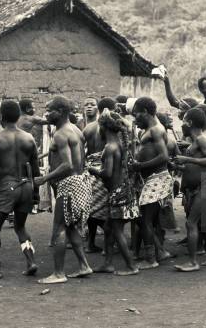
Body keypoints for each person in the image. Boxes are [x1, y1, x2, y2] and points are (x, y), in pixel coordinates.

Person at [0, 100, 40, 279]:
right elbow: (35, 169)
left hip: (8, 186)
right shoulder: (29, 138)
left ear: (1, 116)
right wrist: (35, 192)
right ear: (18, 116)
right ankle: (31, 262)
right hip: (26, 186)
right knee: (20, 227)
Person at [35, 96, 93, 284]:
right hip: (80, 182)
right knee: (71, 228)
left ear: (60, 112)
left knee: (59, 229)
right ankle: (84, 265)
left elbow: (68, 164)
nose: (46, 113)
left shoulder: (60, 134)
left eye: (49, 110)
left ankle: (58, 273)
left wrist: (45, 177)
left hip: (69, 184)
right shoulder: (75, 129)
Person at [173, 108, 206, 271]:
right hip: (201, 186)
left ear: (189, 123)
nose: (181, 124)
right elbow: (195, 163)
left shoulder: (201, 139)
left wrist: (185, 158)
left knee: (191, 223)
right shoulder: (195, 140)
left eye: (183, 120)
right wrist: (178, 165)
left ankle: (193, 262)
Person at [90, 109, 140, 276]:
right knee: (108, 227)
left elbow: (107, 173)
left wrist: (92, 169)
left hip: (117, 193)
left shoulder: (109, 147)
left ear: (103, 128)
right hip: (123, 189)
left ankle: (131, 266)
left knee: (117, 231)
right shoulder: (119, 144)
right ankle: (108, 263)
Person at [130, 97, 173, 270]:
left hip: (157, 178)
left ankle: (151, 259)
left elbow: (164, 157)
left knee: (144, 218)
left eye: (136, 114)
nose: (135, 118)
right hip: (150, 179)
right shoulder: (148, 130)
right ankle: (160, 252)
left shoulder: (156, 130)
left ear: (145, 112)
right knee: (148, 219)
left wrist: (140, 165)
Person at [83, 97, 117, 253]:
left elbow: (81, 149)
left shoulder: (88, 127)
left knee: (92, 208)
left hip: (89, 169)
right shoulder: (111, 127)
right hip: (104, 169)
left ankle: (91, 243)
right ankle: (108, 244)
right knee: (106, 209)